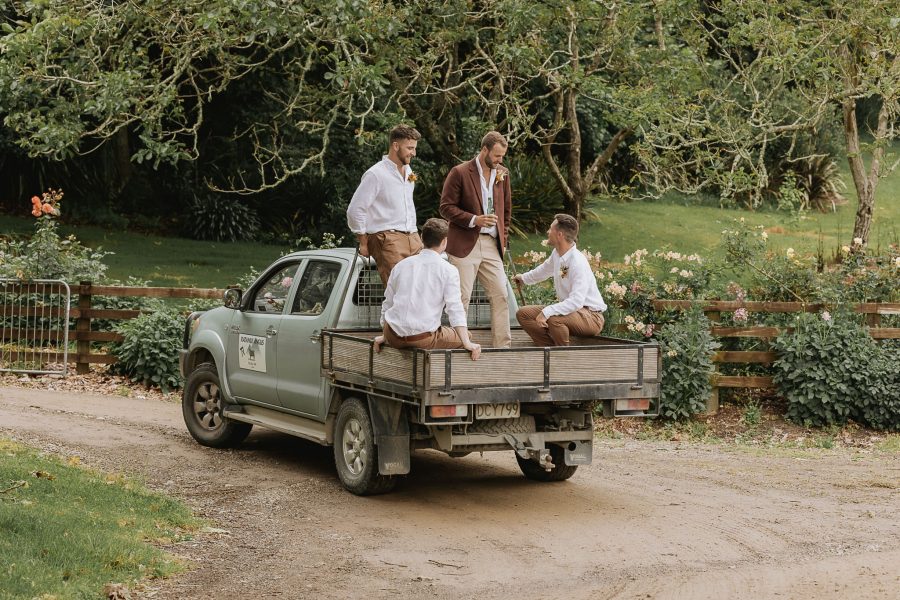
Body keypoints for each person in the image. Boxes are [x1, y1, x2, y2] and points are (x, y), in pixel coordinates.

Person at [438, 131, 512, 348]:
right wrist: (474, 220)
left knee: (501, 294)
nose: (500, 161)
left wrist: (503, 240)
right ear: (485, 150)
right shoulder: (459, 172)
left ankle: (503, 349)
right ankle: (457, 346)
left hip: (492, 245)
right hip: (463, 244)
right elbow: (445, 207)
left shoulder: (502, 174)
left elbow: (506, 210)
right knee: (461, 299)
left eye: (502, 156)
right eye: (497, 156)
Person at [374, 218, 481, 360]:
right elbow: (455, 309)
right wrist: (467, 343)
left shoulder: (401, 265)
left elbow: (388, 302)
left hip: (392, 334)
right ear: (444, 241)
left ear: (422, 238)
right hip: (421, 339)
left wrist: (384, 335)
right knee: (466, 335)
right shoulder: (448, 270)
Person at [346, 124, 424, 285]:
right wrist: (363, 242)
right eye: (410, 148)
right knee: (400, 291)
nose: (414, 153)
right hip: (388, 239)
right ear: (395, 146)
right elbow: (355, 210)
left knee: (419, 289)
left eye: (414, 148)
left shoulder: (409, 172)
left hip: (413, 237)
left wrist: (416, 238)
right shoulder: (376, 174)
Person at [514, 214, 607, 346]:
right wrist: (523, 278)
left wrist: (546, 312)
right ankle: (549, 350)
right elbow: (544, 270)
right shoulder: (557, 254)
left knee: (553, 318)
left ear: (560, 234)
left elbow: (576, 301)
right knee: (523, 314)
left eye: (550, 229)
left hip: (591, 317)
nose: (547, 231)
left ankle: (562, 356)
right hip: (573, 312)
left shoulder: (577, 262)